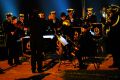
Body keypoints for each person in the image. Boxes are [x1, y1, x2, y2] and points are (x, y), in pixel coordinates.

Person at [107, 5, 120, 69]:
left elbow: (114, 25)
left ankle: (117, 63)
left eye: (111, 10)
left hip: (116, 36)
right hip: (113, 36)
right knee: (114, 51)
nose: (110, 11)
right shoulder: (112, 16)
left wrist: (109, 22)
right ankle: (115, 63)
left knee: (117, 50)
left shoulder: (117, 16)